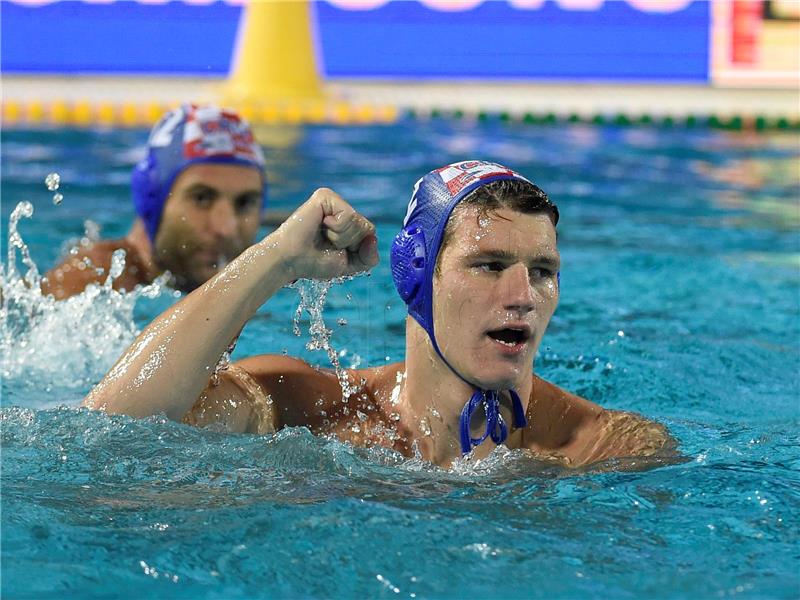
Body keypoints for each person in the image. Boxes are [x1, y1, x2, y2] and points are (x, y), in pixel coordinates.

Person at [83, 160, 674, 468]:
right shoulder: (310, 410)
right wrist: (276, 260)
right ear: (416, 277)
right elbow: (114, 429)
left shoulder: (602, 446)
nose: (523, 295)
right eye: (489, 264)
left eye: (542, 271)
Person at [42, 104, 268, 299]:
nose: (226, 228)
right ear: (152, 201)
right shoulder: (96, 284)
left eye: (244, 203)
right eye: (202, 198)